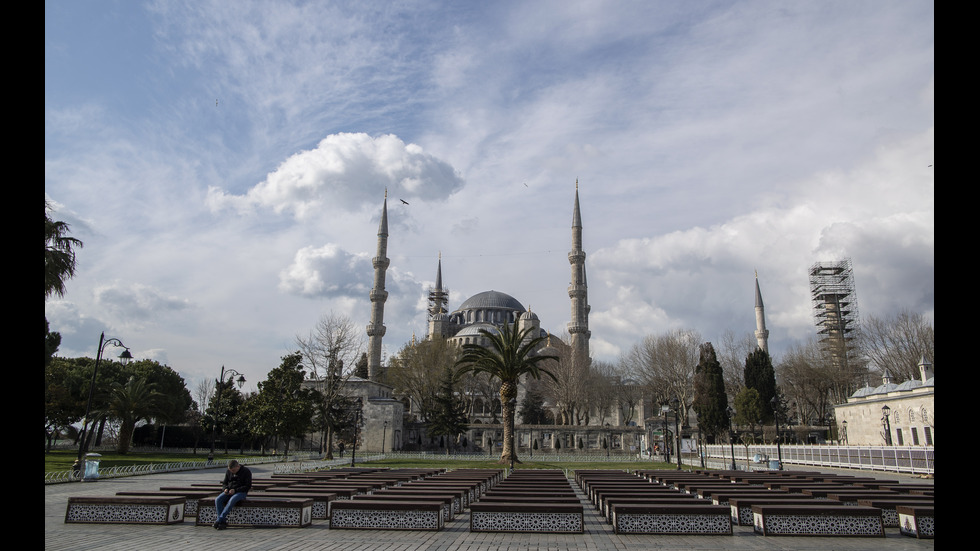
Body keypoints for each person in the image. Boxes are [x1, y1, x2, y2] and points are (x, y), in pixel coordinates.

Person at [213, 459, 252, 529]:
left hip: (241, 492)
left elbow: (247, 486)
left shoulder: (246, 471)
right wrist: (225, 489)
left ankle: (219, 519)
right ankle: (222, 522)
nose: (232, 472)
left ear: (238, 467)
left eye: (233, 470)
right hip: (229, 491)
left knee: (232, 500)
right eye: (230, 471)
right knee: (218, 499)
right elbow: (225, 483)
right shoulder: (229, 471)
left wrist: (235, 490)